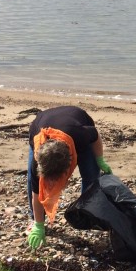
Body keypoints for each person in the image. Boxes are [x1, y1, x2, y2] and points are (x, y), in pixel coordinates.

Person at [26, 105, 112, 250]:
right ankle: (35, 219)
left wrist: (100, 160)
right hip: (41, 123)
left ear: (70, 163)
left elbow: (95, 136)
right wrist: (39, 226)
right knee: (33, 181)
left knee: (91, 175)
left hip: (76, 119)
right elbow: (37, 194)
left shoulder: (81, 135)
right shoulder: (37, 153)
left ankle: (88, 213)